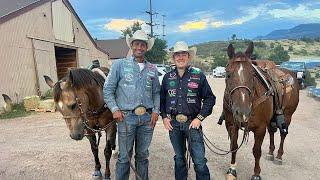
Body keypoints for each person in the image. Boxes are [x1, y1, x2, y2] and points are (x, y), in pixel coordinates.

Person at [103, 30, 160, 180]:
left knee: (142, 155)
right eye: (136, 44)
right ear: (132, 45)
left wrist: (156, 111)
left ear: (146, 47)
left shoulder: (153, 69)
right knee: (124, 157)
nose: (139, 47)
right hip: (126, 117)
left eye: (142, 44)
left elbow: (156, 93)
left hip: (147, 118)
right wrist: (114, 109)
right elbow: (108, 89)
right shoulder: (119, 65)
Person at [160, 41, 216, 180]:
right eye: (177, 54)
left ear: (188, 56)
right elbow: (161, 100)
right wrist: (164, 117)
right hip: (174, 124)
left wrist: (200, 118)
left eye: (183, 54)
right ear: (173, 58)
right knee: (179, 159)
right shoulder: (167, 77)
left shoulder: (199, 76)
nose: (180, 57)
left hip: (192, 123)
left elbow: (210, 98)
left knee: (199, 160)